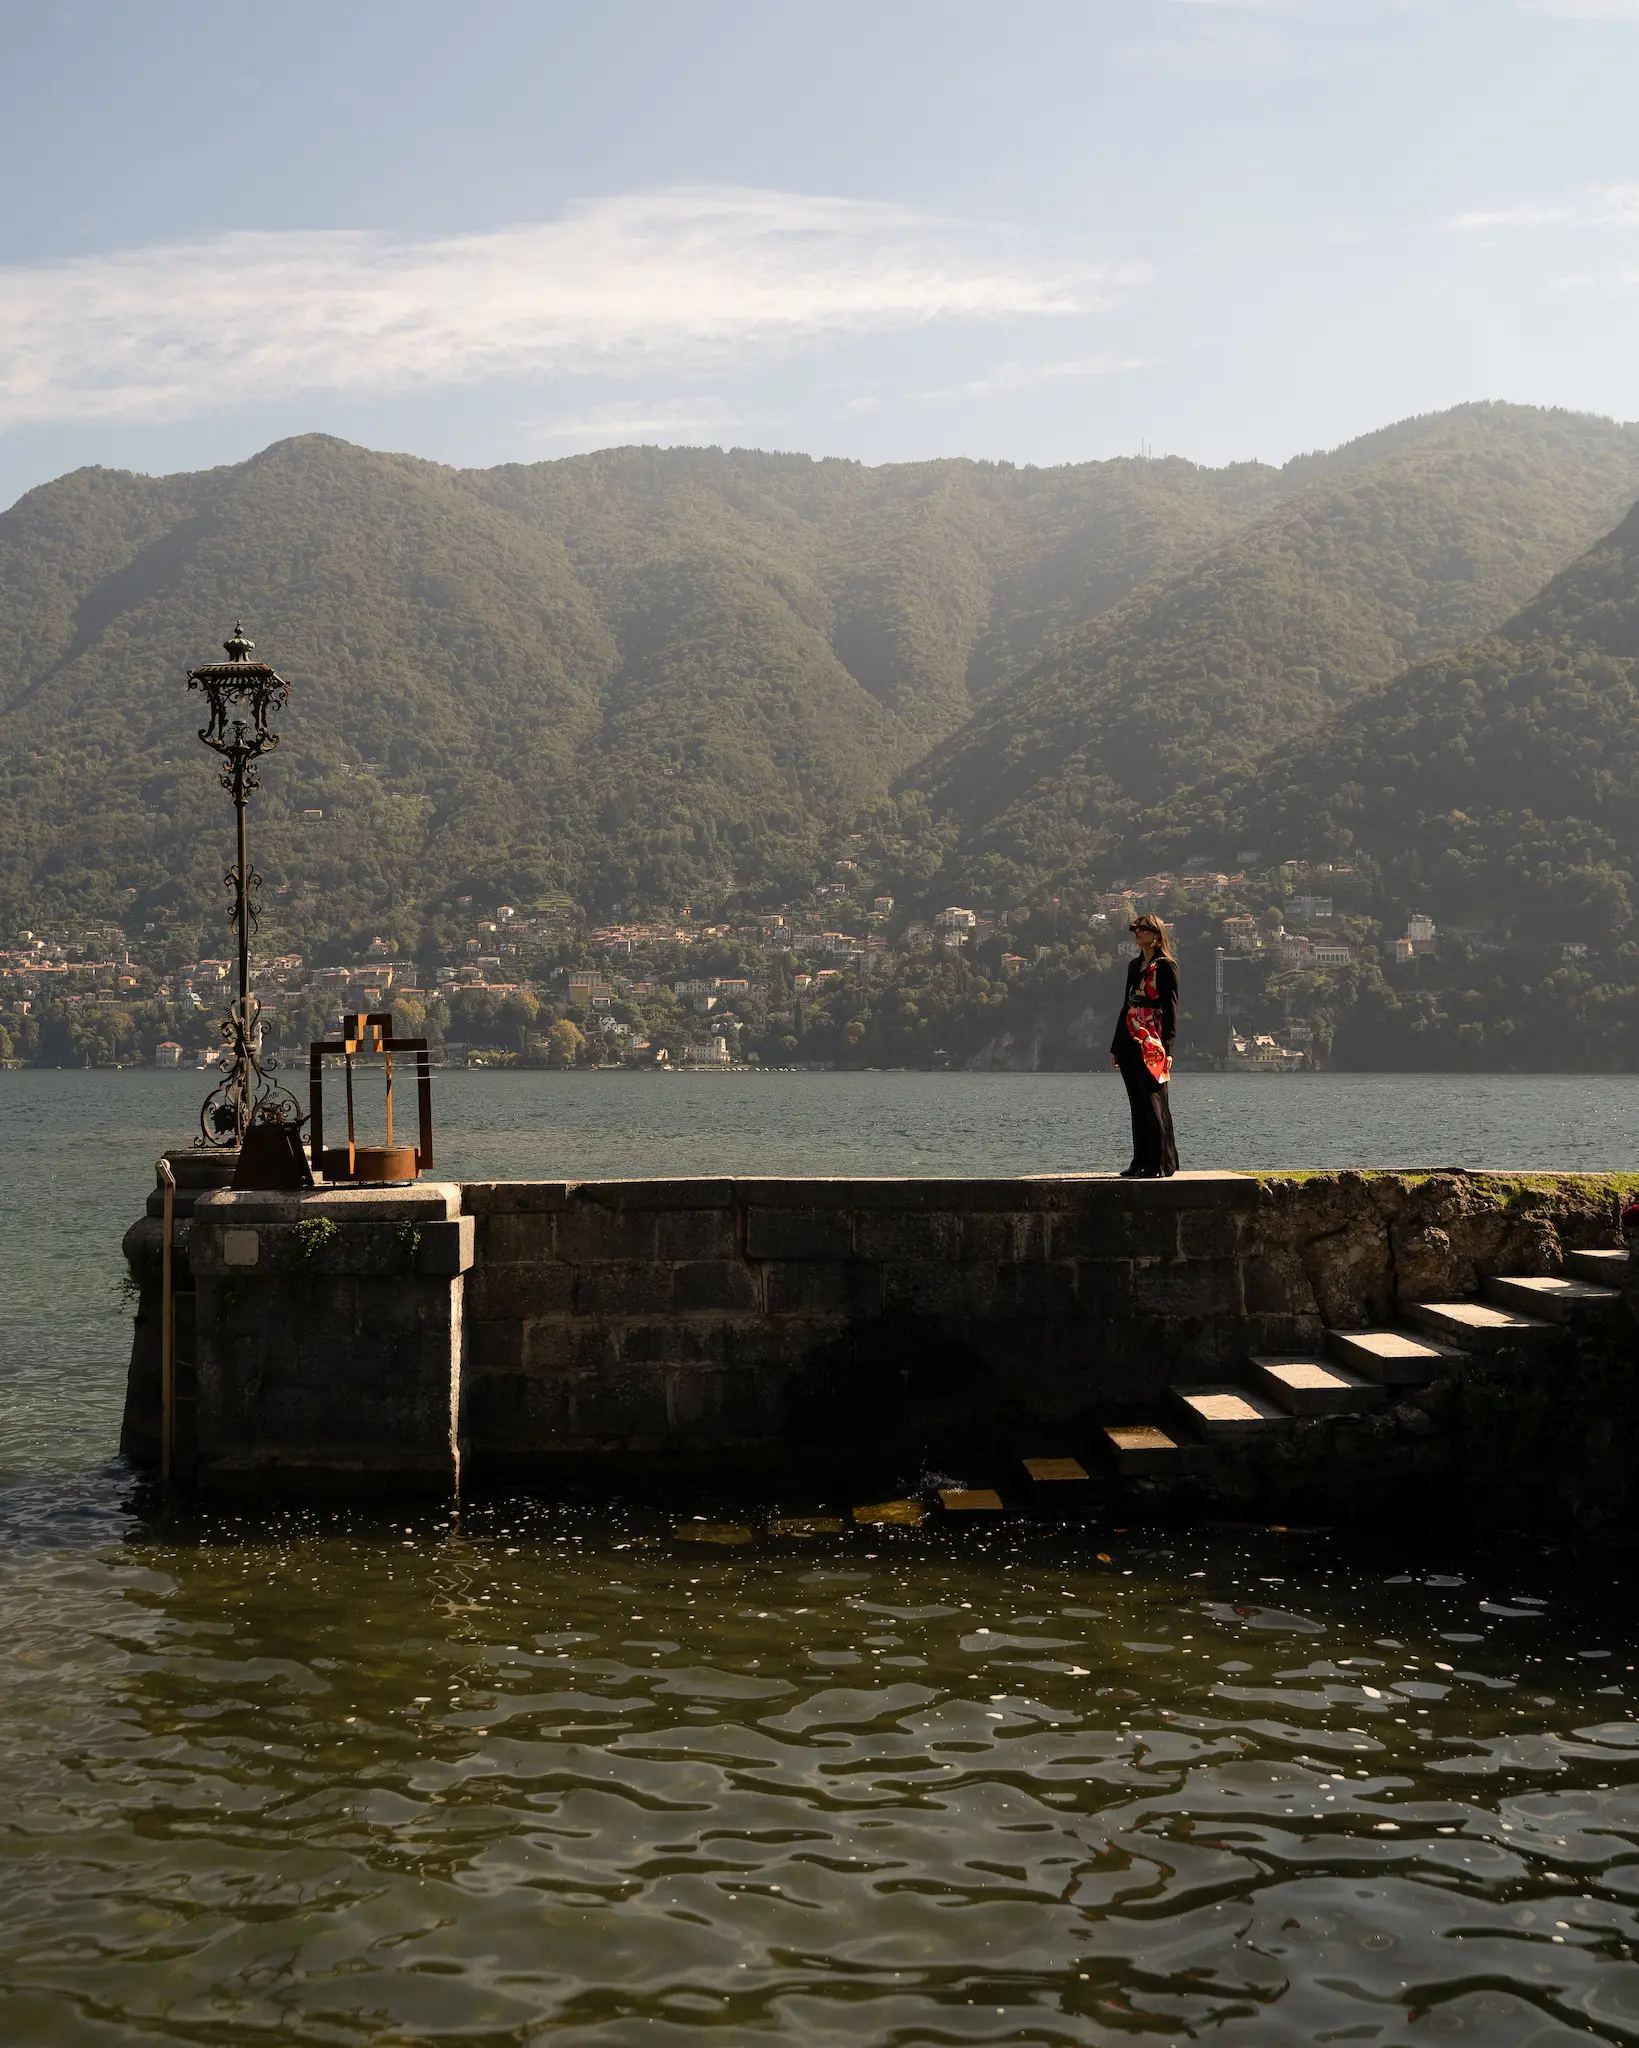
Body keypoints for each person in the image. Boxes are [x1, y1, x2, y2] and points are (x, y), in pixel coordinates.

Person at [1109, 914, 1179, 1178]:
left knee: (1154, 1101)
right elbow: (1126, 1004)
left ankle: (1160, 1163)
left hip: (1153, 1040)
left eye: (1143, 929)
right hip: (1130, 1037)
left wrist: (1168, 1049)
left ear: (1156, 934)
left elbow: (1171, 1009)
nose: (1137, 932)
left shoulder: (1166, 966)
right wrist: (1116, 1047)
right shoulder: (1133, 965)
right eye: (1135, 929)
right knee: (1136, 1102)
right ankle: (1140, 1161)